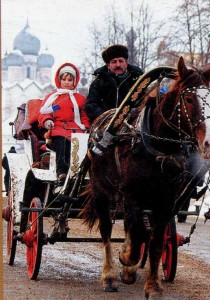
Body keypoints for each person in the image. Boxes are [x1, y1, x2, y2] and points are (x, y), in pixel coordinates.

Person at [38, 62, 90, 182]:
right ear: (59, 80)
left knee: (83, 144)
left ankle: (83, 171)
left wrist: (87, 126)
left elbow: (84, 115)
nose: (66, 82)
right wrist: (48, 120)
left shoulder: (80, 99)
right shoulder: (53, 98)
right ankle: (62, 171)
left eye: (70, 80)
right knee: (62, 142)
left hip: (77, 128)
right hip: (59, 128)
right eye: (64, 79)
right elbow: (45, 112)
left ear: (74, 82)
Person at [84, 44, 143, 123]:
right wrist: (105, 117)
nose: (118, 65)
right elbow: (90, 105)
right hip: (105, 123)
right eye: (114, 62)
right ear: (108, 65)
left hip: (132, 122)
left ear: (126, 63)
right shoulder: (99, 81)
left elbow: (144, 100)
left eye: (121, 61)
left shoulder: (138, 80)